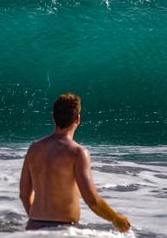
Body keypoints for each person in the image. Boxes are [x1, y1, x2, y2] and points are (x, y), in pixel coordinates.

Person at [19, 93, 131, 232]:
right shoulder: (77, 153)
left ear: (53, 118)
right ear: (78, 119)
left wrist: (36, 222)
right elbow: (92, 200)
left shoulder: (34, 148)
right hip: (63, 231)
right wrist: (116, 219)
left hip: (33, 227)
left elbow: (24, 194)